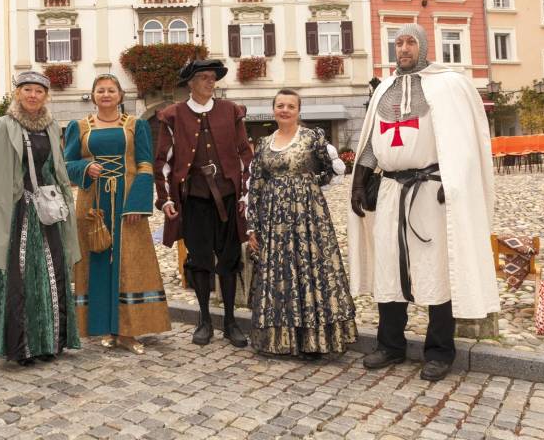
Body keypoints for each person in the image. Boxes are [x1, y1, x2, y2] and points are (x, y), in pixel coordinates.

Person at [347, 23, 499, 381]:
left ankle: (440, 351)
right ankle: (390, 345)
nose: (403, 48)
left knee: (436, 267)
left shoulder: (448, 85)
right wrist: (359, 182)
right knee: (389, 266)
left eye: (410, 42)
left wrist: (454, 181)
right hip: (390, 191)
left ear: (424, 46)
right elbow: (371, 143)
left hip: (431, 191)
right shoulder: (384, 88)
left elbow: (461, 140)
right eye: (398, 42)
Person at [0, 71, 81, 365]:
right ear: (18, 93)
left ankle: (50, 342)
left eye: (38, 91)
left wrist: (63, 201)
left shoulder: (51, 126)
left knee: (54, 272)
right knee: (20, 275)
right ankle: (22, 346)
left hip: (47, 211)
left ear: (46, 96)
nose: (33, 95)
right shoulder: (3, 125)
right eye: (27, 90)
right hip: (17, 210)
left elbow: (57, 169)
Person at [64, 74, 170, 354]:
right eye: (100, 90)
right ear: (93, 95)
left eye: (111, 90)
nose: (106, 94)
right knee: (97, 261)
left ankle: (127, 330)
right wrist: (85, 168)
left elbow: (145, 164)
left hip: (127, 204)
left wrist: (137, 204)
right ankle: (104, 327)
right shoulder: (79, 127)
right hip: (93, 204)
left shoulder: (136, 125)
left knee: (129, 263)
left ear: (120, 95)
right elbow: (66, 163)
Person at [248, 89, 357, 359]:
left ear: (298, 111)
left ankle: (312, 341)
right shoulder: (264, 143)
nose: (284, 110)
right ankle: (281, 339)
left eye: (290, 106)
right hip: (274, 220)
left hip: (307, 218)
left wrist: (306, 187)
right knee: (280, 273)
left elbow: (331, 170)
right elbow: (257, 184)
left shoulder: (312, 137)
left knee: (309, 270)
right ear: (273, 109)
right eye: (280, 105)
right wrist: (253, 226)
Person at [154, 59, 253, 347]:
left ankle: (231, 321)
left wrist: (245, 194)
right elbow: (163, 161)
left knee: (230, 259)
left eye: (213, 77)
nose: (211, 82)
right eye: (204, 77)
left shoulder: (231, 111)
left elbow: (245, 155)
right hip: (194, 200)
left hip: (229, 198)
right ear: (190, 83)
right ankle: (204, 320)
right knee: (199, 261)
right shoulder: (173, 116)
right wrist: (166, 199)